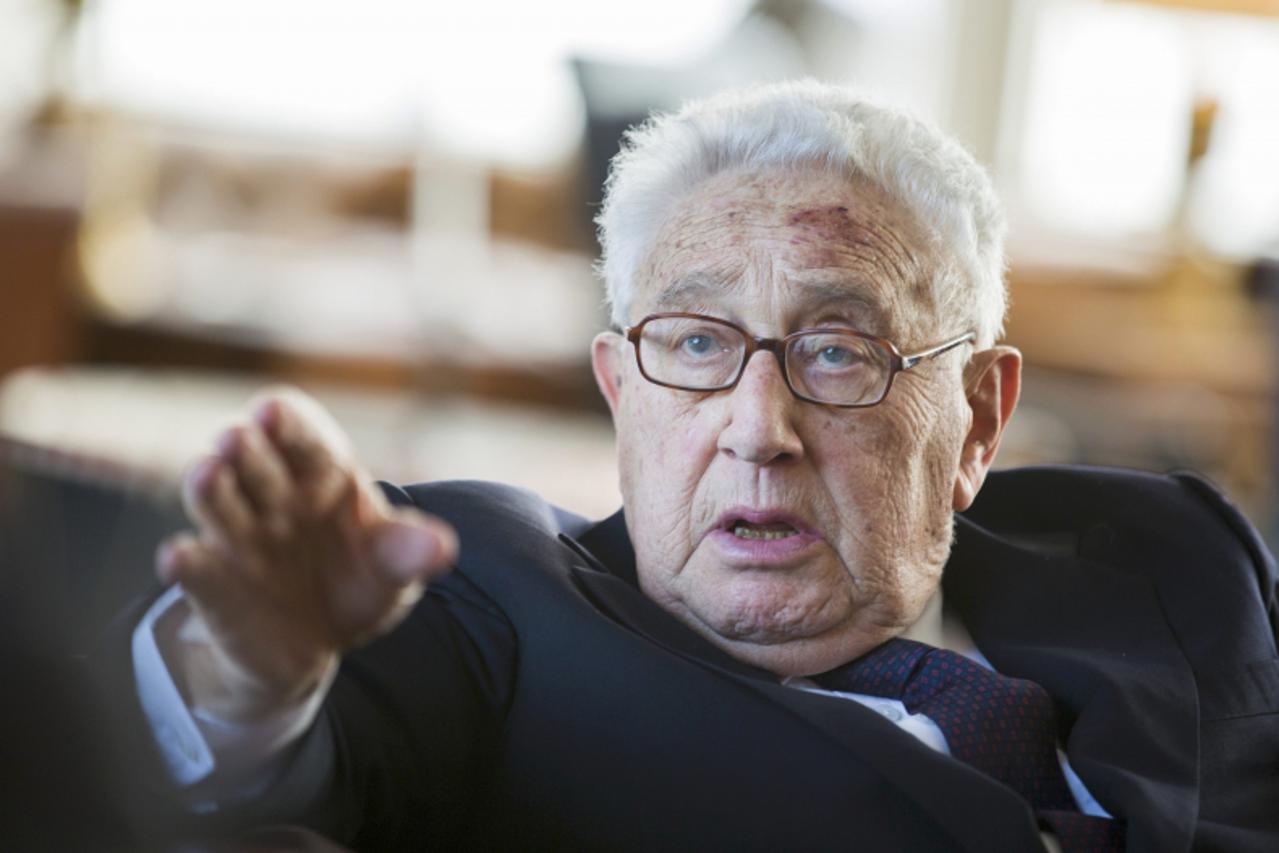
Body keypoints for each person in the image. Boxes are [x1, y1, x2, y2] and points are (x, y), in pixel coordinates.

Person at [116, 81, 1278, 851]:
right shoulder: (496, 600)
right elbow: (268, 776)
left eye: (836, 349)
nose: (755, 426)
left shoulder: (1168, 550)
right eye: (694, 345)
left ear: (978, 418)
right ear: (620, 389)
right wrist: (249, 678)